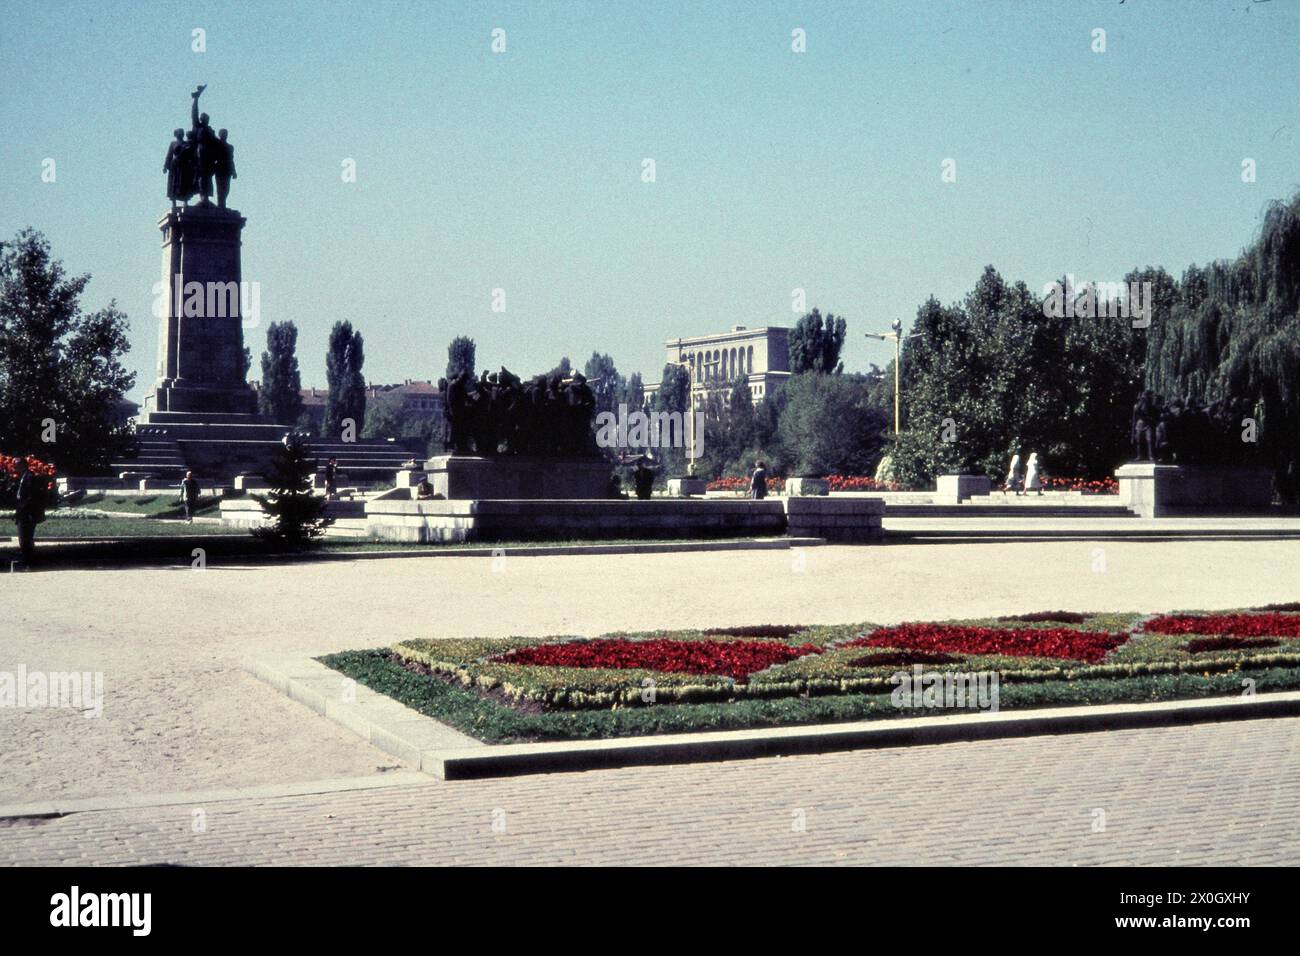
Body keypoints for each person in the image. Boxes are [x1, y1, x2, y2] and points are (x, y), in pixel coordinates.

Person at [12, 457, 39, 565]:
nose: (15, 467)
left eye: (17, 465)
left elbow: (30, 497)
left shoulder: (30, 477)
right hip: (22, 512)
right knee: (24, 539)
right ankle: (27, 561)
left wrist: (21, 510)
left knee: (25, 540)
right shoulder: (23, 477)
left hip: (27, 514)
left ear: (23, 465)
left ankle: (29, 563)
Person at [213, 128, 236, 208]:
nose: (224, 135)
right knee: (220, 188)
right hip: (219, 168)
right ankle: (221, 205)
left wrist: (234, 171)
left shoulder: (230, 147)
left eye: (225, 133)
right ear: (220, 135)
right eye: (223, 133)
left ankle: (222, 204)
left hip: (227, 168)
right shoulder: (217, 145)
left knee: (226, 189)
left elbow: (231, 159)